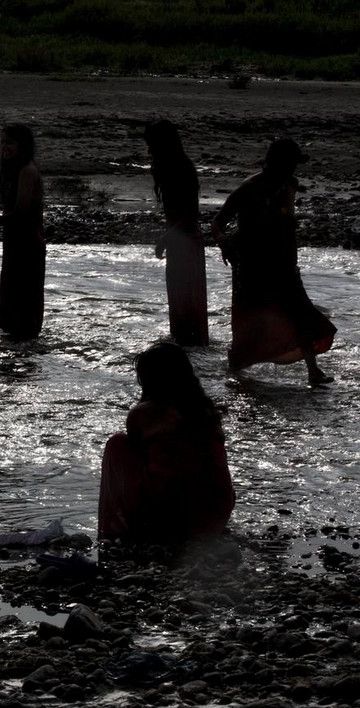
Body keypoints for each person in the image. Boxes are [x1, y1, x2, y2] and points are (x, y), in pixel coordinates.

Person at [211, 138, 336, 385]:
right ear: (274, 163)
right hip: (253, 267)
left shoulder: (290, 184)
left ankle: (313, 371)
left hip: (285, 265)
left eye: (294, 165)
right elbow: (218, 222)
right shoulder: (248, 189)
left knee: (301, 314)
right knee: (250, 320)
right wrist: (224, 243)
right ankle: (235, 367)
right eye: (288, 164)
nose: (292, 170)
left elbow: (286, 227)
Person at [98, 343, 235, 543]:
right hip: (216, 513)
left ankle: (113, 533)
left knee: (116, 444)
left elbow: (139, 456)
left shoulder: (143, 414)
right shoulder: (207, 412)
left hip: (171, 516)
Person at [144, 120, 209, 346]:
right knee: (183, 301)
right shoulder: (175, 166)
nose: (149, 150)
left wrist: (165, 238)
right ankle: (188, 347)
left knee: (185, 301)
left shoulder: (179, 169)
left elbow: (190, 214)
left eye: (152, 144)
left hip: (185, 242)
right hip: (183, 241)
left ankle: (188, 346)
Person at [0, 124, 46, 341]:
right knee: (11, 298)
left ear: (22, 145)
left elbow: (20, 212)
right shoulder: (12, 170)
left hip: (27, 243)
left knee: (24, 299)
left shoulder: (27, 171)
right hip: (13, 241)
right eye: (2, 142)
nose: (4, 147)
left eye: (9, 142)